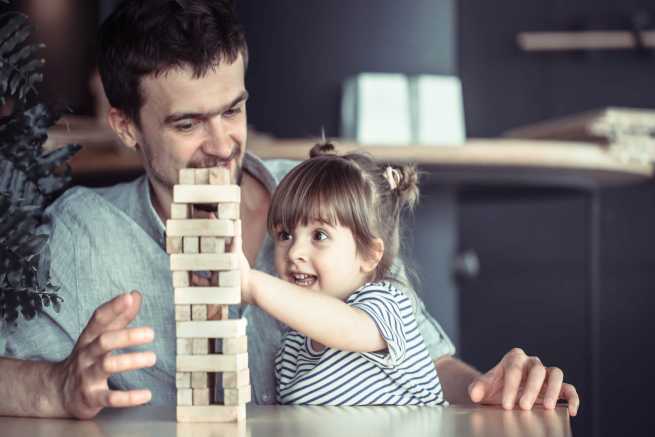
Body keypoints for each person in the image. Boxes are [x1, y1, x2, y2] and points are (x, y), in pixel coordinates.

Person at [0, 0, 579, 419]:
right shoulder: (81, 235)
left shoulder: (323, 198)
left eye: (233, 109)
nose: (223, 142)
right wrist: (54, 386)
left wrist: (489, 391)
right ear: (126, 126)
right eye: (187, 123)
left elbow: (421, 364)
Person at [238, 142, 444, 405]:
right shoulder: (290, 352)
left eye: (319, 235)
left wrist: (252, 284)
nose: (294, 252)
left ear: (369, 254)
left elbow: (347, 326)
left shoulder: (388, 305)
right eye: (285, 235)